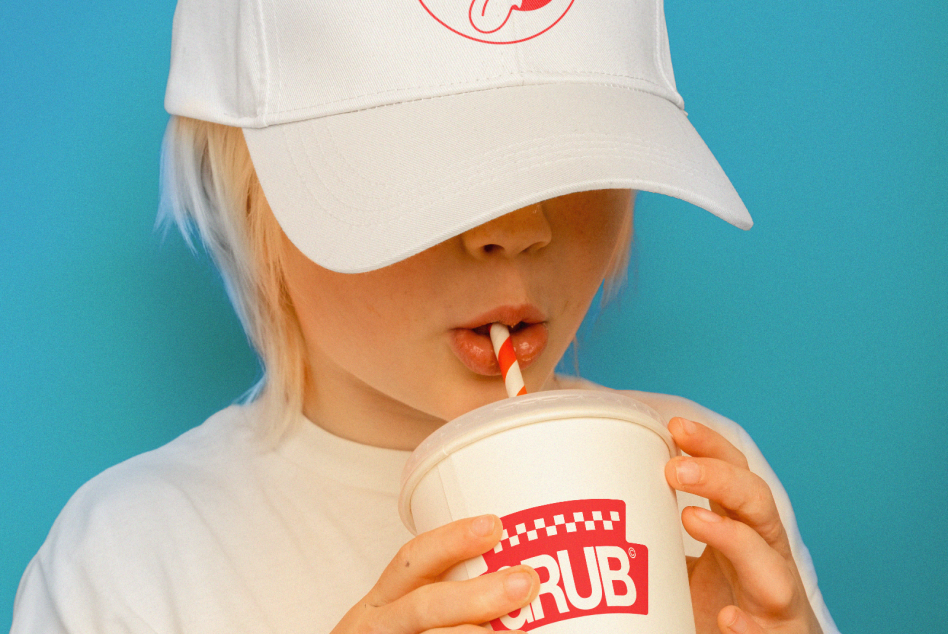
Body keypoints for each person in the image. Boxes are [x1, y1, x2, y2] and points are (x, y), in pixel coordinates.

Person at [11, 1, 840, 633]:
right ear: (254, 196)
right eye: (432, 174)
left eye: (573, 155)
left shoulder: (708, 495)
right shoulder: (126, 563)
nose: (517, 227)